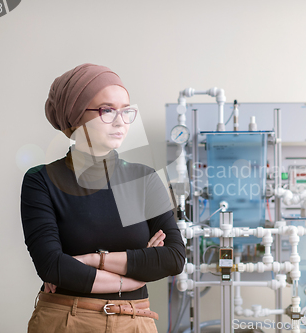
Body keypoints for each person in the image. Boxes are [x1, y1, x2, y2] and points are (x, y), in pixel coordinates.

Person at [20, 63, 186, 333]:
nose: (121, 121)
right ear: (75, 117)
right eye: (107, 110)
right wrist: (133, 276)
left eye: (126, 111)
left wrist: (91, 260)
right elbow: (52, 267)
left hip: (136, 321)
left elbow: (173, 258)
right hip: (67, 320)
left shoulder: (142, 179)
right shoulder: (43, 180)